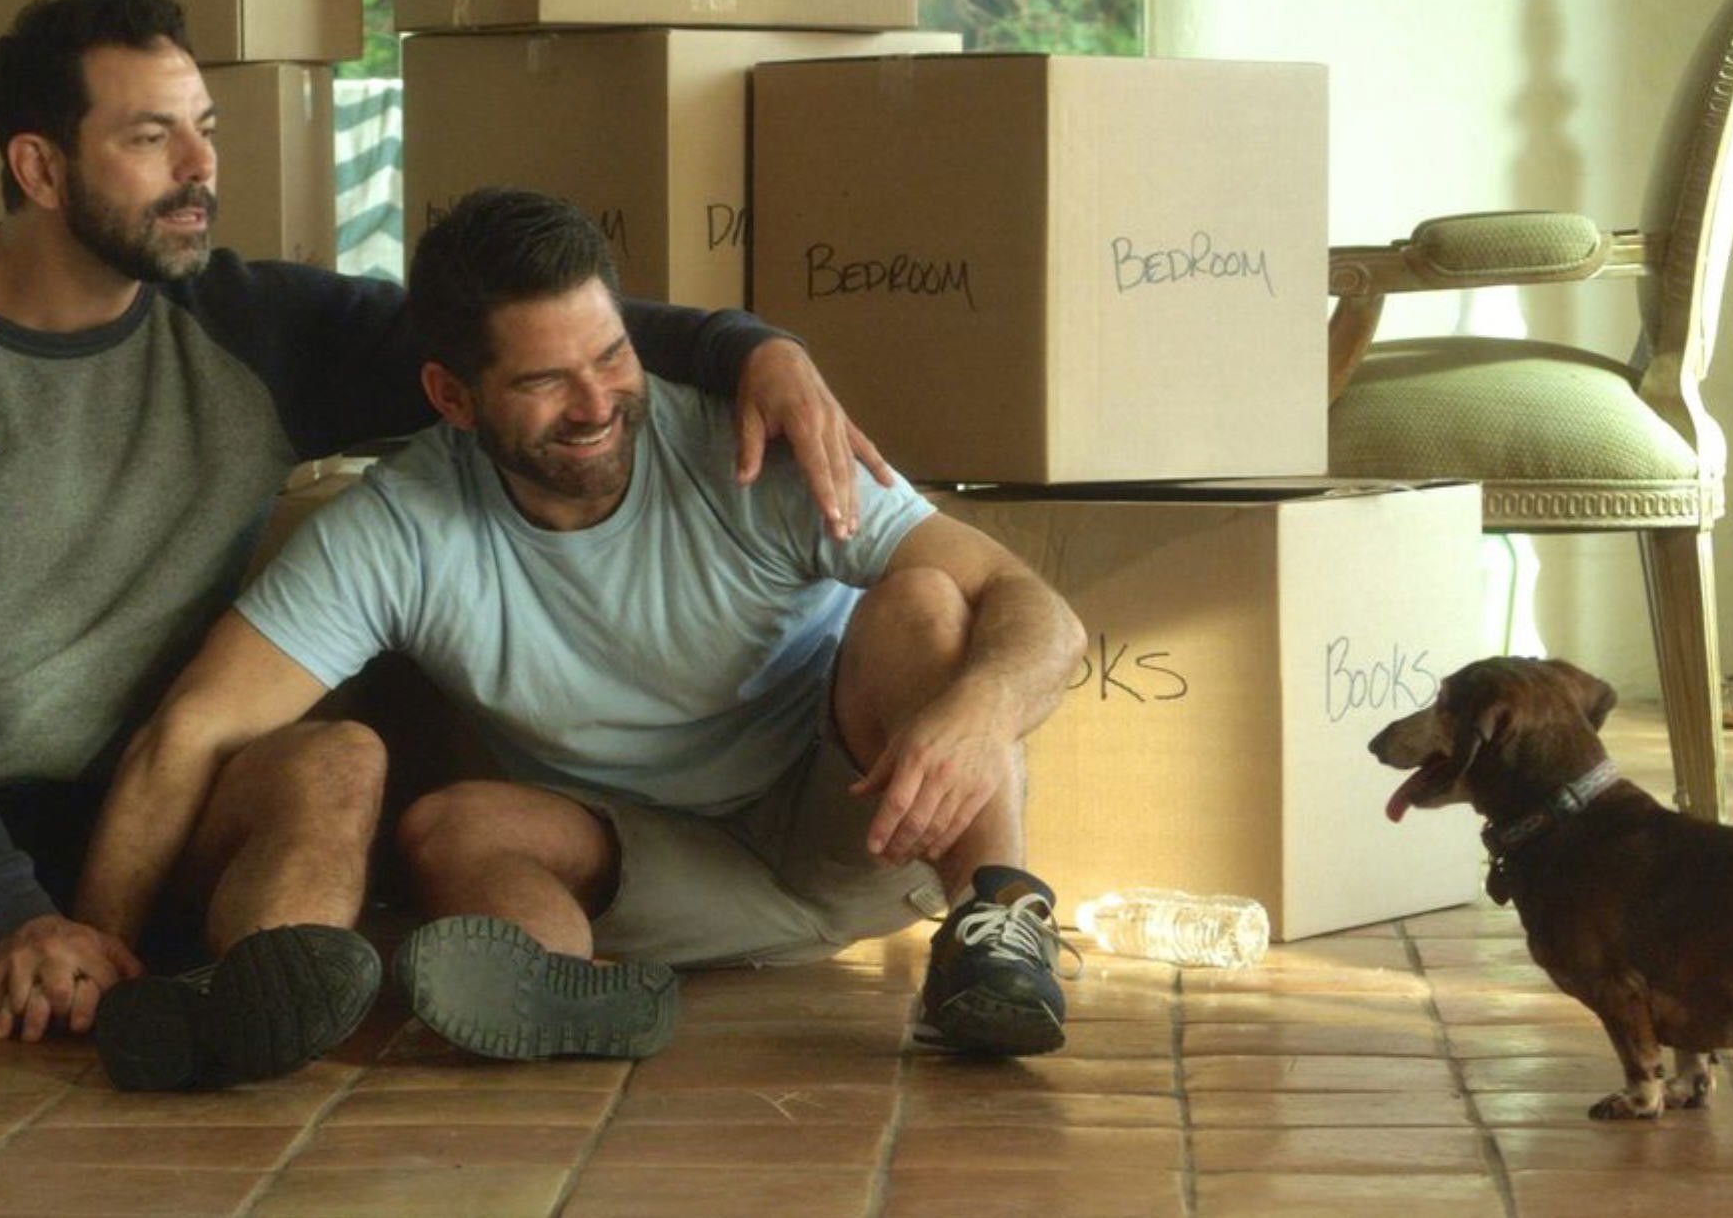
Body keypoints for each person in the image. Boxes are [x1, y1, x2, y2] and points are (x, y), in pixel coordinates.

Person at [0, 0, 886, 1091]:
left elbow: (523, 341)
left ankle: (242, 1012)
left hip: (160, 813)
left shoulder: (255, 329)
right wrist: (10, 910)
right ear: (40, 166)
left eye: (204, 127)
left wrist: (753, 350)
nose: (201, 167)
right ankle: (125, 986)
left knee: (336, 759)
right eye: (151, 137)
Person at [86, 187, 1089, 1072]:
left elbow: (1029, 603)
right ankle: (563, 995)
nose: (595, 404)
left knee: (925, 604)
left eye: (611, 357)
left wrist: (979, 711)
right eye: (542, 382)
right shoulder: (399, 526)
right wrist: (97, 945)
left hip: (872, 822)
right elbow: (195, 727)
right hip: (657, 869)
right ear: (452, 397)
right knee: (449, 827)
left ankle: (997, 931)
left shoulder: (749, 446)